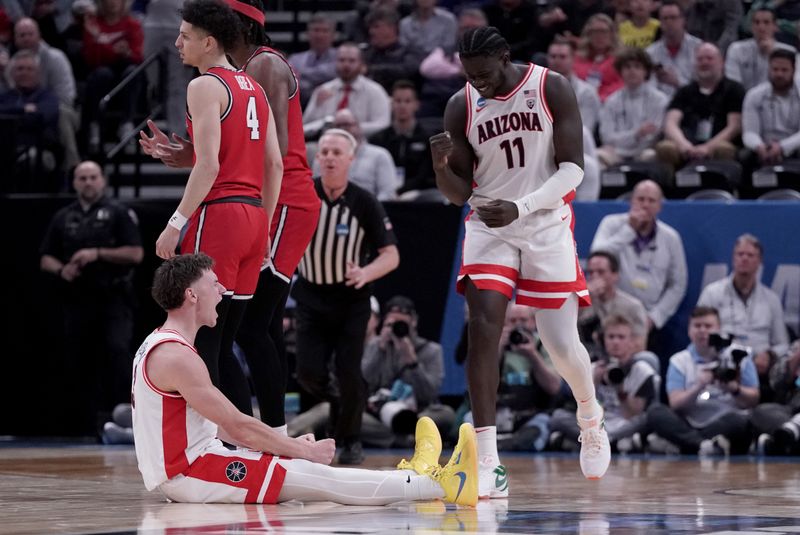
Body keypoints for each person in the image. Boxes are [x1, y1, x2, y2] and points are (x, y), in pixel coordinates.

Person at [133, 253, 478, 507]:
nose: (223, 290)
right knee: (319, 477)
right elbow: (236, 425)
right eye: (213, 284)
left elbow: (218, 427)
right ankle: (439, 485)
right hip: (192, 473)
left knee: (306, 475)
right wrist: (302, 450)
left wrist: (287, 447)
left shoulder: (162, 344)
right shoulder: (176, 356)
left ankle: (418, 475)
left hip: (195, 467)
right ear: (191, 295)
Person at [429, 26, 611, 497]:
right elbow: (459, 196)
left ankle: (589, 416)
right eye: (470, 76)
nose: (479, 84)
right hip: (488, 224)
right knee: (483, 327)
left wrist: (523, 206)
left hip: (545, 221)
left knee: (561, 347)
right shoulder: (460, 105)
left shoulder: (550, 86)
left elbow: (573, 167)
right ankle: (489, 459)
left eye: (485, 74)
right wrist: (440, 169)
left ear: (505, 57)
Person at [152, 0, 283, 417]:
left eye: (186, 36)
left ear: (209, 43)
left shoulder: (205, 85)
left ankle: (212, 447)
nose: (177, 43)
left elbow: (210, 164)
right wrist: (264, 228)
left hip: (220, 217)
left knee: (205, 342)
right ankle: (247, 447)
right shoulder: (254, 89)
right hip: (253, 217)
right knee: (225, 344)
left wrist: (176, 222)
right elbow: (274, 165)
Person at [293, 128, 400, 465]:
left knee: (349, 369)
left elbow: (391, 255)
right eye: (323, 151)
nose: (328, 157)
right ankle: (341, 401)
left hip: (351, 297)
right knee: (307, 373)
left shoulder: (364, 201)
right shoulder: (302, 195)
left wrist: (365, 273)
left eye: (336, 152)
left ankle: (350, 439)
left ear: (351, 160)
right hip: (310, 294)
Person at [39, 160, 143, 434]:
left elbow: (135, 253)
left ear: (103, 180)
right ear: (74, 182)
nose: (87, 182)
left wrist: (96, 254)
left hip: (113, 298)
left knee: (117, 352)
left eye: (92, 177)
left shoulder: (118, 212)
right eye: (82, 178)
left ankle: (126, 418)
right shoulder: (63, 217)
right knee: (79, 360)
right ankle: (87, 424)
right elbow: (45, 257)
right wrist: (62, 269)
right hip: (76, 299)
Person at [590, 180, 687, 357]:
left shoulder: (671, 238)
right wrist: (629, 230)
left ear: (660, 206)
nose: (645, 205)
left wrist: (654, 318)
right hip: (608, 316)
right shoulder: (612, 224)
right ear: (632, 201)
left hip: (648, 320)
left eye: (651, 201)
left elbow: (678, 284)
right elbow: (598, 257)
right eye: (641, 199)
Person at [646, 306, 759, 455]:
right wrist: (698, 386)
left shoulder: (739, 355)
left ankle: (683, 445)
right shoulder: (679, 360)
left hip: (726, 420)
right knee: (655, 412)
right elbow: (675, 403)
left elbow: (754, 399)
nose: (702, 330)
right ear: (689, 330)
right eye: (697, 326)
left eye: (708, 326)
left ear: (718, 329)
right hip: (690, 422)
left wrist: (735, 389)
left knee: (741, 421)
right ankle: (703, 445)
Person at [551, 314, 659, 451]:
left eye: (621, 337)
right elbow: (582, 411)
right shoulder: (592, 369)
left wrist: (620, 390)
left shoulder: (642, 371)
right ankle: (612, 443)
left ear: (631, 341)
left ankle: (594, 442)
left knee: (650, 417)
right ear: (604, 340)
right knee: (558, 416)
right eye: (611, 337)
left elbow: (633, 414)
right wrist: (593, 384)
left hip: (625, 423)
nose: (615, 342)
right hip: (597, 424)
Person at [654, 42, 745, 173]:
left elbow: (734, 127)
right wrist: (683, 145)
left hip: (718, 144)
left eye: (709, 58)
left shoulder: (734, 89)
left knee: (724, 149)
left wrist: (708, 147)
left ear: (721, 62)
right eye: (700, 59)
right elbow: (670, 123)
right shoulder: (684, 91)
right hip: (687, 144)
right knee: (665, 147)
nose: (704, 63)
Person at [697, 234, 790, 358]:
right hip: (721, 362)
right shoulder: (712, 293)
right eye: (740, 254)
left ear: (759, 261)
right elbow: (698, 333)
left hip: (760, 366)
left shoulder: (771, 299)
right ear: (733, 258)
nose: (744, 258)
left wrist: (769, 356)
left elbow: (783, 344)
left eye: (750, 255)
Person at [596, 46, 668, 169]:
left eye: (637, 67)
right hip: (616, 153)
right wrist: (636, 134)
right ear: (621, 71)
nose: (632, 71)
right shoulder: (611, 101)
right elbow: (607, 137)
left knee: (652, 155)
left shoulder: (659, 100)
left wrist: (623, 140)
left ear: (646, 71)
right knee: (597, 156)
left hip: (645, 151)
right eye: (627, 67)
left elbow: (652, 137)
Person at [302, 42, 391, 139]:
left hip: (365, 145)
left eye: (351, 61)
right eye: (342, 60)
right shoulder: (323, 91)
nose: (346, 65)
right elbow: (304, 127)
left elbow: (383, 124)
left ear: (361, 64)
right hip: (326, 146)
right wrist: (325, 122)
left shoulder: (375, 91)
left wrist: (352, 128)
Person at [368, 79, 436, 194]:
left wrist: (403, 190)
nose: (402, 106)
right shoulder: (377, 139)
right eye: (398, 101)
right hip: (384, 193)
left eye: (407, 101)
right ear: (391, 104)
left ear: (416, 105)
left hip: (419, 194)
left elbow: (425, 174)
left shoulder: (428, 139)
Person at [578, 250, 649, 357]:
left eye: (601, 272)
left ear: (615, 275)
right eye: (590, 272)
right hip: (587, 357)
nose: (595, 277)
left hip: (623, 359)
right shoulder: (579, 304)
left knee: (646, 358)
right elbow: (566, 331)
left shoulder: (633, 306)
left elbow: (640, 344)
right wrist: (585, 298)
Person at [741, 49, 800, 168]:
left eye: (784, 70)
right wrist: (759, 146)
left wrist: (782, 147)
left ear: (793, 71)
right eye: (775, 69)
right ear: (769, 70)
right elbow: (749, 132)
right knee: (745, 156)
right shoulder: (754, 95)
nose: (779, 74)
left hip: (794, 148)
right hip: (763, 148)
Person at [724, 7, 796, 92]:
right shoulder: (736, 49)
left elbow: (794, 85)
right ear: (751, 26)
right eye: (756, 22)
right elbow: (732, 82)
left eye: (766, 22)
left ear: (775, 26)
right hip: (741, 99)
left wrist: (771, 54)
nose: (761, 27)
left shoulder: (789, 52)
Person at [644, 1, 701, 98]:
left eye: (673, 17)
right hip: (660, 107)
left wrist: (677, 82)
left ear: (683, 20)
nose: (669, 22)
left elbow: (705, 88)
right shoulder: (650, 53)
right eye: (665, 19)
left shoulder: (699, 49)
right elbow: (648, 89)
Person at [287, 15, 336, 107]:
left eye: (325, 31)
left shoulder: (341, 57)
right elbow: (290, 83)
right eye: (316, 30)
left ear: (333, 35)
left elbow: (332, 73)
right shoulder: (295, 59)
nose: (320, 35)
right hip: (301, 104)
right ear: (307, 34)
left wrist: (301, 74)